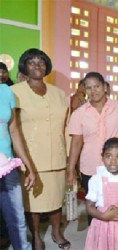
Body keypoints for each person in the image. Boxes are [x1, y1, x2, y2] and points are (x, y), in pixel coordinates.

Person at [11, 48, 69, 250]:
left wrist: (70, 159)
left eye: (41, 62)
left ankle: (56, 231)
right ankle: (35, 235)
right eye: (31, 62)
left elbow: (66, 127)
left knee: (56, 198)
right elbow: (12, 128)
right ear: (24, 66)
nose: (37, 65)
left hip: (58, 156)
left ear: (47, 66)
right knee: (33, 203)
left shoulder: (59, 94)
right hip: (31, 158)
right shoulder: (15, 92)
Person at [67, 72, 118, 225]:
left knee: (117, 204)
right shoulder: (79, 114)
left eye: (97, 86)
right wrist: (70, 170)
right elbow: (76, 143)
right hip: (90, 167)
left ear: (105, 87)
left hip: (117, 166)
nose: (93, 91)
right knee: (93, 207)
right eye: (89, 88)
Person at [84, 138, 118, 250]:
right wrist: (103, 216)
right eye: (108, 156)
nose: (113, 161)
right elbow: (89, 206)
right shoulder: (96, 179)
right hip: (102, 225)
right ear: (102, 157)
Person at [0, 83, 36, 250]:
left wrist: (29, 167)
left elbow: (14, 131)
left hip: (7, 166)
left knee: (17, 219)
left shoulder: (5, 91)